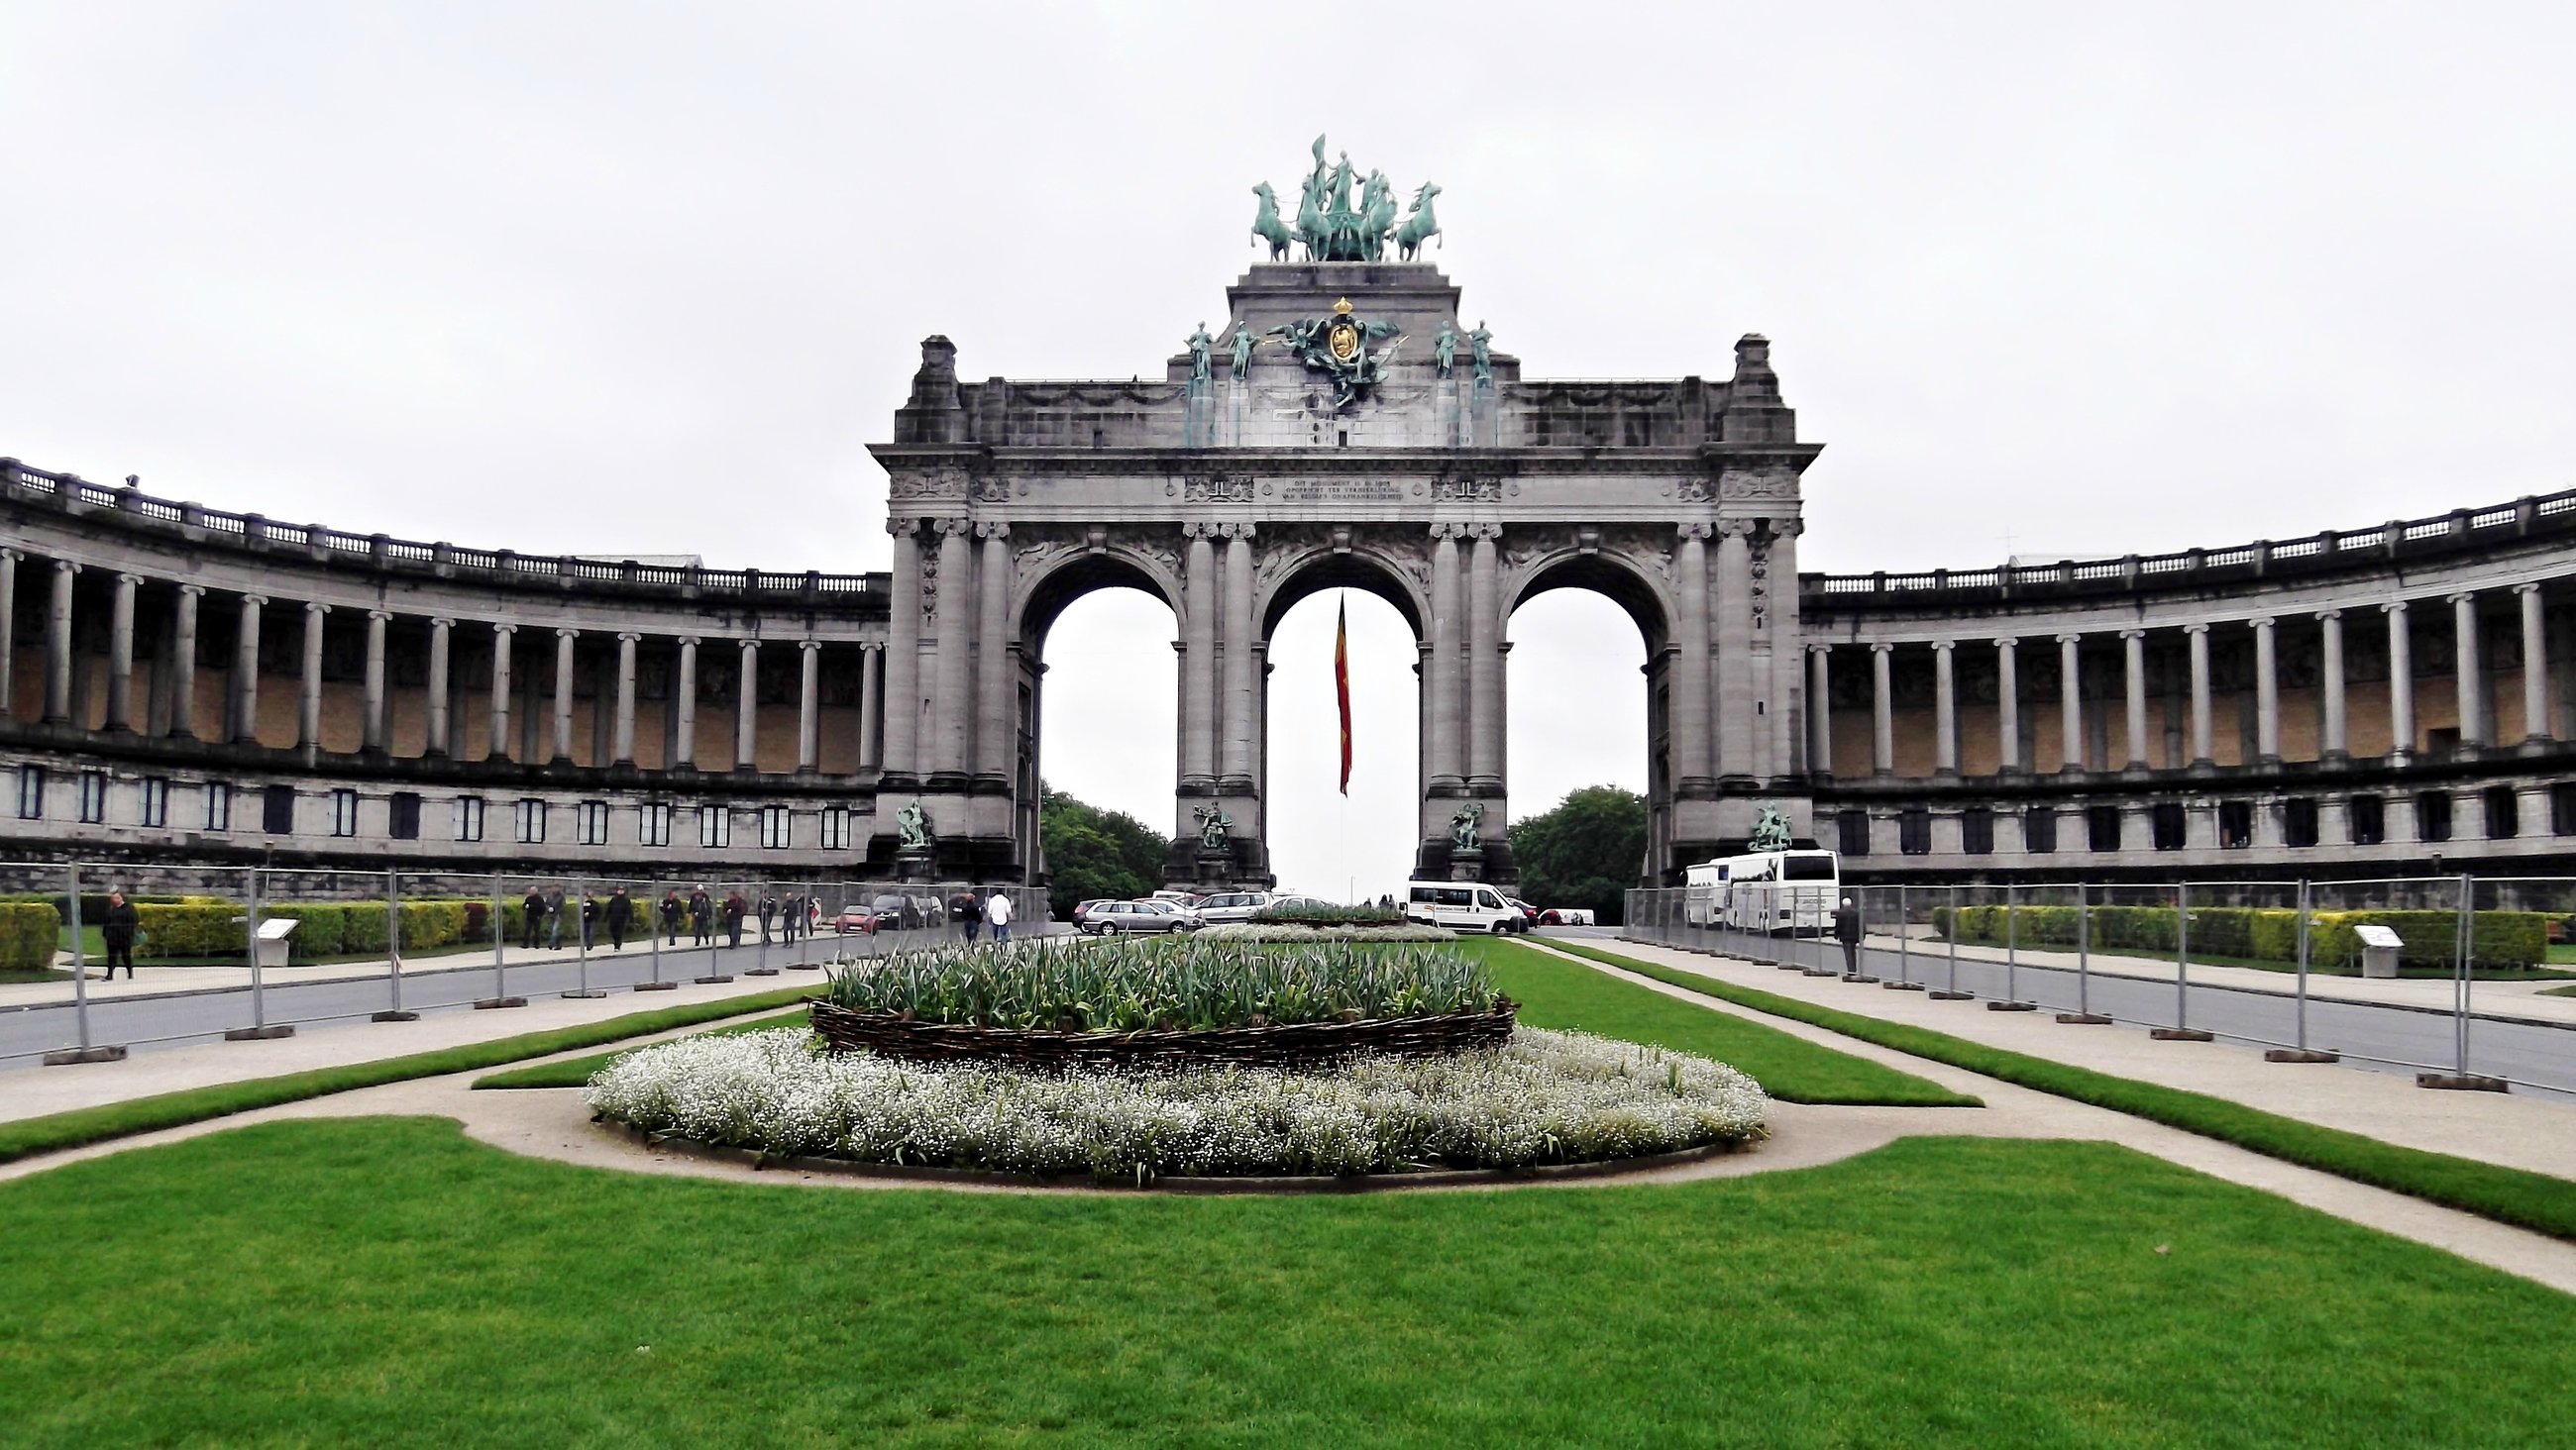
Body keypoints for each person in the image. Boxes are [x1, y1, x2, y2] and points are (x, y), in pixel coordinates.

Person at [99, 889, 140, 981]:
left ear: (122, 898)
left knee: (126, 955)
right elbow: (106, 923)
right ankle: (109, 974)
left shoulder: (129, 909)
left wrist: (128, 932)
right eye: (113, 898)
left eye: (117, 898)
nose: (115, 900)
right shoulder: (111, 910)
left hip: (124, 937)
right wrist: (105, 934)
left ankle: (130, 973)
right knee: (111, 956)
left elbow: (134, 921)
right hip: (112, 937)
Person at [1833, 896, 1863, 977]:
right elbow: (1861, 924)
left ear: (1843, 904)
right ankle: (1854, 969)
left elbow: (1838, 925)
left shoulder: (1840, 913)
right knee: (1853, 953)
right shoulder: (1856, 913)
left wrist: (1836, 934)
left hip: (1845, 936)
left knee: (1848, 954)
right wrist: (1862, 935)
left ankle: (1851, 970)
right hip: (1854, 936)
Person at [607, 886, 631, 951]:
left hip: (621, 919)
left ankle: (617, 946)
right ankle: (615, 941)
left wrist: (629, 918)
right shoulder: (614, 899)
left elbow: (629, 909)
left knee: (619, 932)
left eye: (621, 890)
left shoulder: (626, 900)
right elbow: (609, 908)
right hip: (613, 918)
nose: (620, 891)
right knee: (613, 931)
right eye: (619, 890)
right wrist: (606, 916)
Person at [545, 886, 566, 950]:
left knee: (555, 930)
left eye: (556, 888)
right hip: (551, 915)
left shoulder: (561, 896)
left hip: (557, 915)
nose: (554, 889)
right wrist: (548, 908)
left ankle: (551, 944)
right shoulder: (550, 896)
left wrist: (557, 911)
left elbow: (563, 906)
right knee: (552, 930)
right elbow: (546, 904)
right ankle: (558, 944)